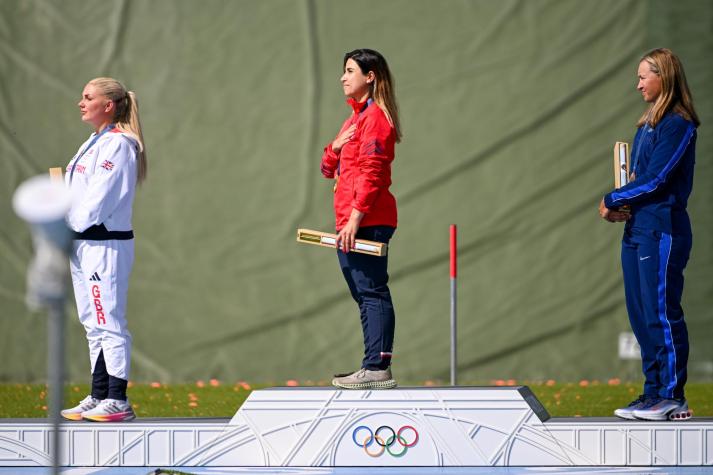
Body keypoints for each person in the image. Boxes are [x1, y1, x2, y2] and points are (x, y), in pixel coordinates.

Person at [600, 48, 699, 421]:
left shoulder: (679, 124)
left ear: (664, 77)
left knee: (661, 313)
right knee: (641, 316)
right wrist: (620, 208)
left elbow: (657, 180)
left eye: (644, 76)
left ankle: (672, 395)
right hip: (638, 229)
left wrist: (611, 198)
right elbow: (639, 181)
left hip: (663, 231)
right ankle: (653, 392)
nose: (638, 83)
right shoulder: (648, 125)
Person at [60, 77, 147, 422]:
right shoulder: (95, 141)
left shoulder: (120, 145)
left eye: (88, 97)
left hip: (103, 243)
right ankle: (99, 393)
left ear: (108, 105)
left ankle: (118, 398)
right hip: (82, 243)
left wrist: (70, 226)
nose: (81, 103)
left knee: (109, 320)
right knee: (92, 321)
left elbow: (100, 198)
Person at [321, 49, 402, 390]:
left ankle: (377, 366)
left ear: (370, 76)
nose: (343, 77)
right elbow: (328, 170)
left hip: (366, 220)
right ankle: (371, 365)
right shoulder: (354, 120)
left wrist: (355, 219)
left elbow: (372, 173)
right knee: (363, 293)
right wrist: (335, 147)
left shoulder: (375, 119)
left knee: (372, 291)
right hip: (349, 221)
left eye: (350, 71)